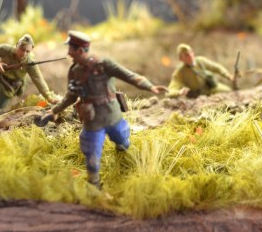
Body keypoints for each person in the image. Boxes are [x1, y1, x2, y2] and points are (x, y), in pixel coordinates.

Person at [37, 31, 167, 188]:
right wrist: (54, 111)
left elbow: (130, 76)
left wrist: (150, 87)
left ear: (80, 50)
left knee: (122, 140)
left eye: (71, 49)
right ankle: (94, 182)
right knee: (91, 151)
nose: (68, 53)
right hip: (92, 121)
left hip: (112, 116)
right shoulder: (74, 72)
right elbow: (70, 97)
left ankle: (124, 159)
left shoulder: (104, 65)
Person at [0, 34, 59, 121]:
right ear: (17, 45)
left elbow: (38, 79)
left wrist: (50, 98)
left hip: (9, 89)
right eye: (22, 49)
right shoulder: (6, 50)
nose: (24, 53)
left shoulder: (30, 61)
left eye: (27, 51)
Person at [167, 43, 235, 98]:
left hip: (210, 88)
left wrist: (228, 75)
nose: (190, 55)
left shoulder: (200, 61)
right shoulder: (180, 72)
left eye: (191, 52)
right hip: (197, 96)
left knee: (228, 91)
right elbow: (170, 91)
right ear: (181, 58)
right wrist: (179, 92)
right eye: (186, 55)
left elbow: (217, 68)